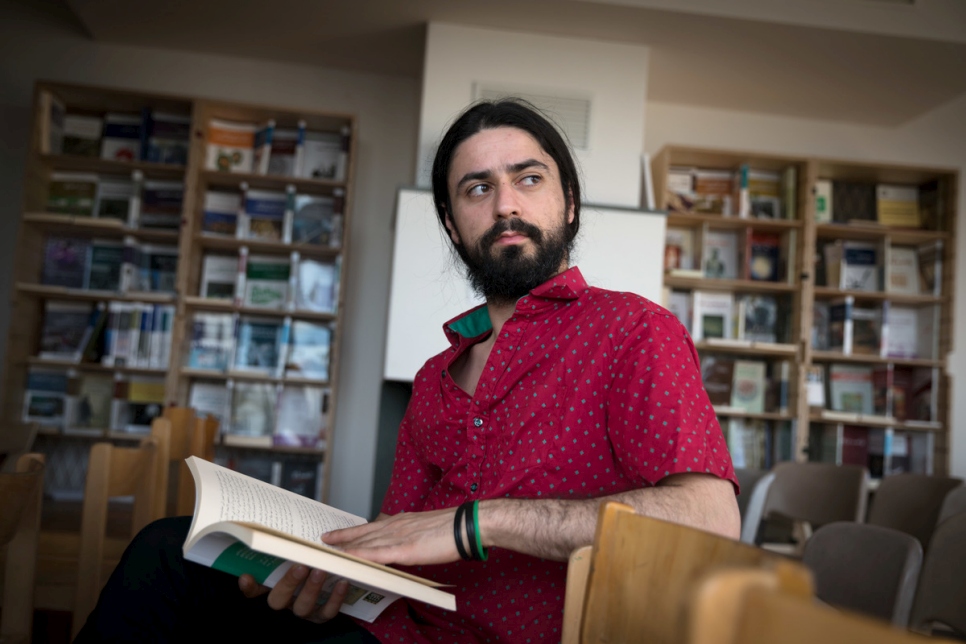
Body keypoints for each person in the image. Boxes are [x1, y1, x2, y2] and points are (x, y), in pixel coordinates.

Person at [76, 98, 739, 643]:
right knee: (171, 551)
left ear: (568, 204)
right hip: (393, 629)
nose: (506, 204)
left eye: (528, 178)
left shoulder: (633, 332)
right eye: (479, 188)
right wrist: (330, 570)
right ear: (453, 225)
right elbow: (400, 548)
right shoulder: (434, 377)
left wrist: (478, 522)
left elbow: (711, 520)